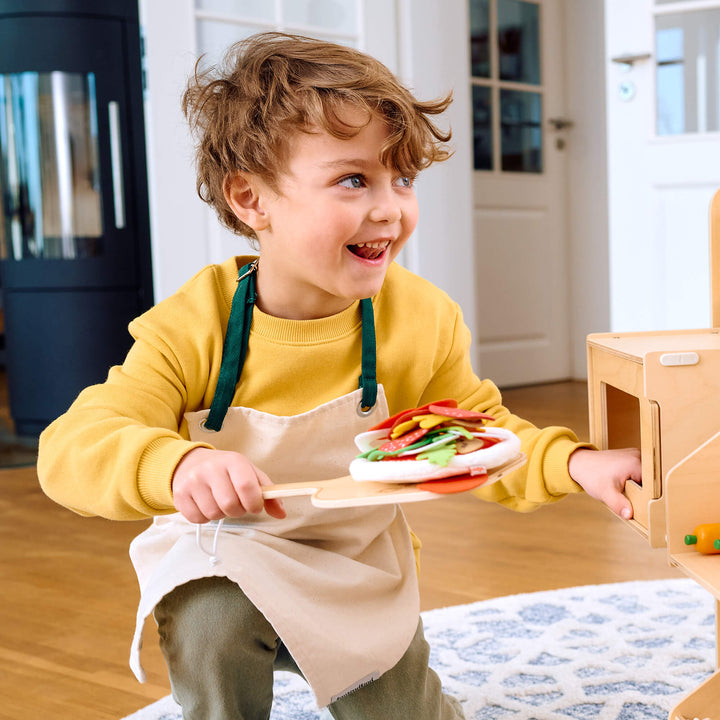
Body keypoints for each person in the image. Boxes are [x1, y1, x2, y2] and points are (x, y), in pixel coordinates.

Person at [37, 32, 641, 720]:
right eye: (354, 179)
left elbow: (481, 437)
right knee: (209, 614)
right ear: (250, 199)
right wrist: (171, 467)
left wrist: (578, 463)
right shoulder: (191, 324)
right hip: (228, 558)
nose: (390, 207)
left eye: (402, 178)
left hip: (356, 568)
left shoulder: (421, 318)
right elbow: (72, 447)